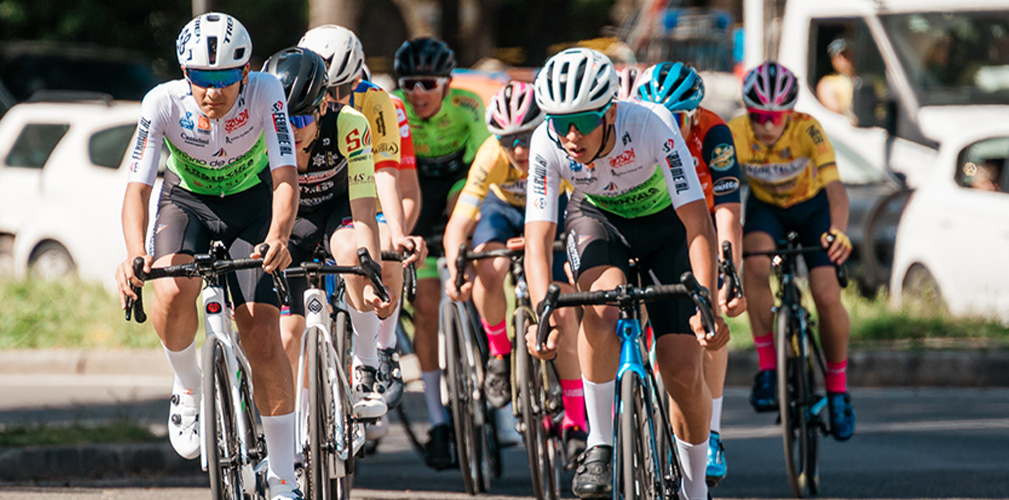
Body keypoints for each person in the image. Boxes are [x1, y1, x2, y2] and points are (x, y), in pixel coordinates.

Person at [524, 47, 729, 500]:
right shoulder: (546, 143)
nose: (571, 135)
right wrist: (543, 313)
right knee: (600, 308)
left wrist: (706, 302)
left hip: (666, 230)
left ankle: (695, 487)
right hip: (598, 219)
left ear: (611, 111)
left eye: (583, 120)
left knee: (681, 370)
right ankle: (599, 443)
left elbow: (698, 223)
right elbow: (538, 239)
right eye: (559, 122)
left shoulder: (652, 125)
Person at [114, 13, 303, 500]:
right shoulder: (162, 103)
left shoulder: (266, 93)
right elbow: (137, 189)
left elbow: (285, 177)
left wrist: (280, 235)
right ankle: (190, 387)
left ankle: (283, 476)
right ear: (185, 73)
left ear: (244, 73)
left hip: (252, 206)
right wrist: (136, 256)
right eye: (200, 77)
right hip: (187, 202)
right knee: (172, 287)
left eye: (223, 79)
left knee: (262, 336)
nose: (211, 91)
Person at [442, 81, 587, 461]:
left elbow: (585, 209)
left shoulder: (560, 150)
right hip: (504, 211)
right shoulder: (491, 156)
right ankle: (498, 352)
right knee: (488, 266)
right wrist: (458, 269)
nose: (519, 150)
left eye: (525, 137)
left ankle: (576, 421)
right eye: (509, 141)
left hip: (555, 211)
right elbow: (459, 224)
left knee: (565, 312)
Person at [297, 26, 427, 417]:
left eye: (339, 90)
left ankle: (379, 353)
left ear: (357, 79)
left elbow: (387, 175)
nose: (328, 100)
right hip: (307, 201)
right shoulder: (289, 96)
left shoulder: (378, 104)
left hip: (359, 192)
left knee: (384, 249)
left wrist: (399, 235)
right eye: (322, 89)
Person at [727, 61, 856, 441]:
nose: (766, 125)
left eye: (775, 117)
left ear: (791, 113)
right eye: (759, 116)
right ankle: (769, 368)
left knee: (826, 294)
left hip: (813, 208)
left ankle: (837, 391)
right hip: (768, 210)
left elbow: (835, 188)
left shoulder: (808, 130)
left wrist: (839, 231)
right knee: (753, 265)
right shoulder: (735, 132)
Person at [262, 47, 390, 424]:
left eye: (302, 118)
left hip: (339, 211)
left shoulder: (350, 124)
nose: (292, 130)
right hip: (292, 223)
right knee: (287, 336)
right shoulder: (260, 130)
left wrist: (371, 273)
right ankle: (296, 430)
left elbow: (365, 208)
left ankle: (366, 370)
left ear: (321, 108)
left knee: (353, 255)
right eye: (282, 120)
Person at [635, 61, 746, 487]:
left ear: (694, 114)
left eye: (676, 118)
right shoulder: (637, 131)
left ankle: (712, 430)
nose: (665, 125)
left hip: (700, 225)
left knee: (712, 305)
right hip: (653, 223)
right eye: (656, 116)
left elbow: (728, 211)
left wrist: (727, 271)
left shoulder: (714, 134)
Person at [391, 37, 493, 470]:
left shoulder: (469, 107)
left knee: (482, 280)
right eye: (409, 83)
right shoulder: (393, 108)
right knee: (428, 306)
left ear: (447, 84)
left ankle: (498, 383)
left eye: (427, 84)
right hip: (414, 197)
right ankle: (437, 419)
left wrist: (463, 213)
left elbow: (482, 166)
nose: (417, 93)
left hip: (457, 192)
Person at [816, 38, 856, 119]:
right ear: (833, 61)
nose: (845, 59)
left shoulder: (871, 79)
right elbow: (837, 116)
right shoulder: (827, 83)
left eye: (848, 55)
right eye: (840, 56)